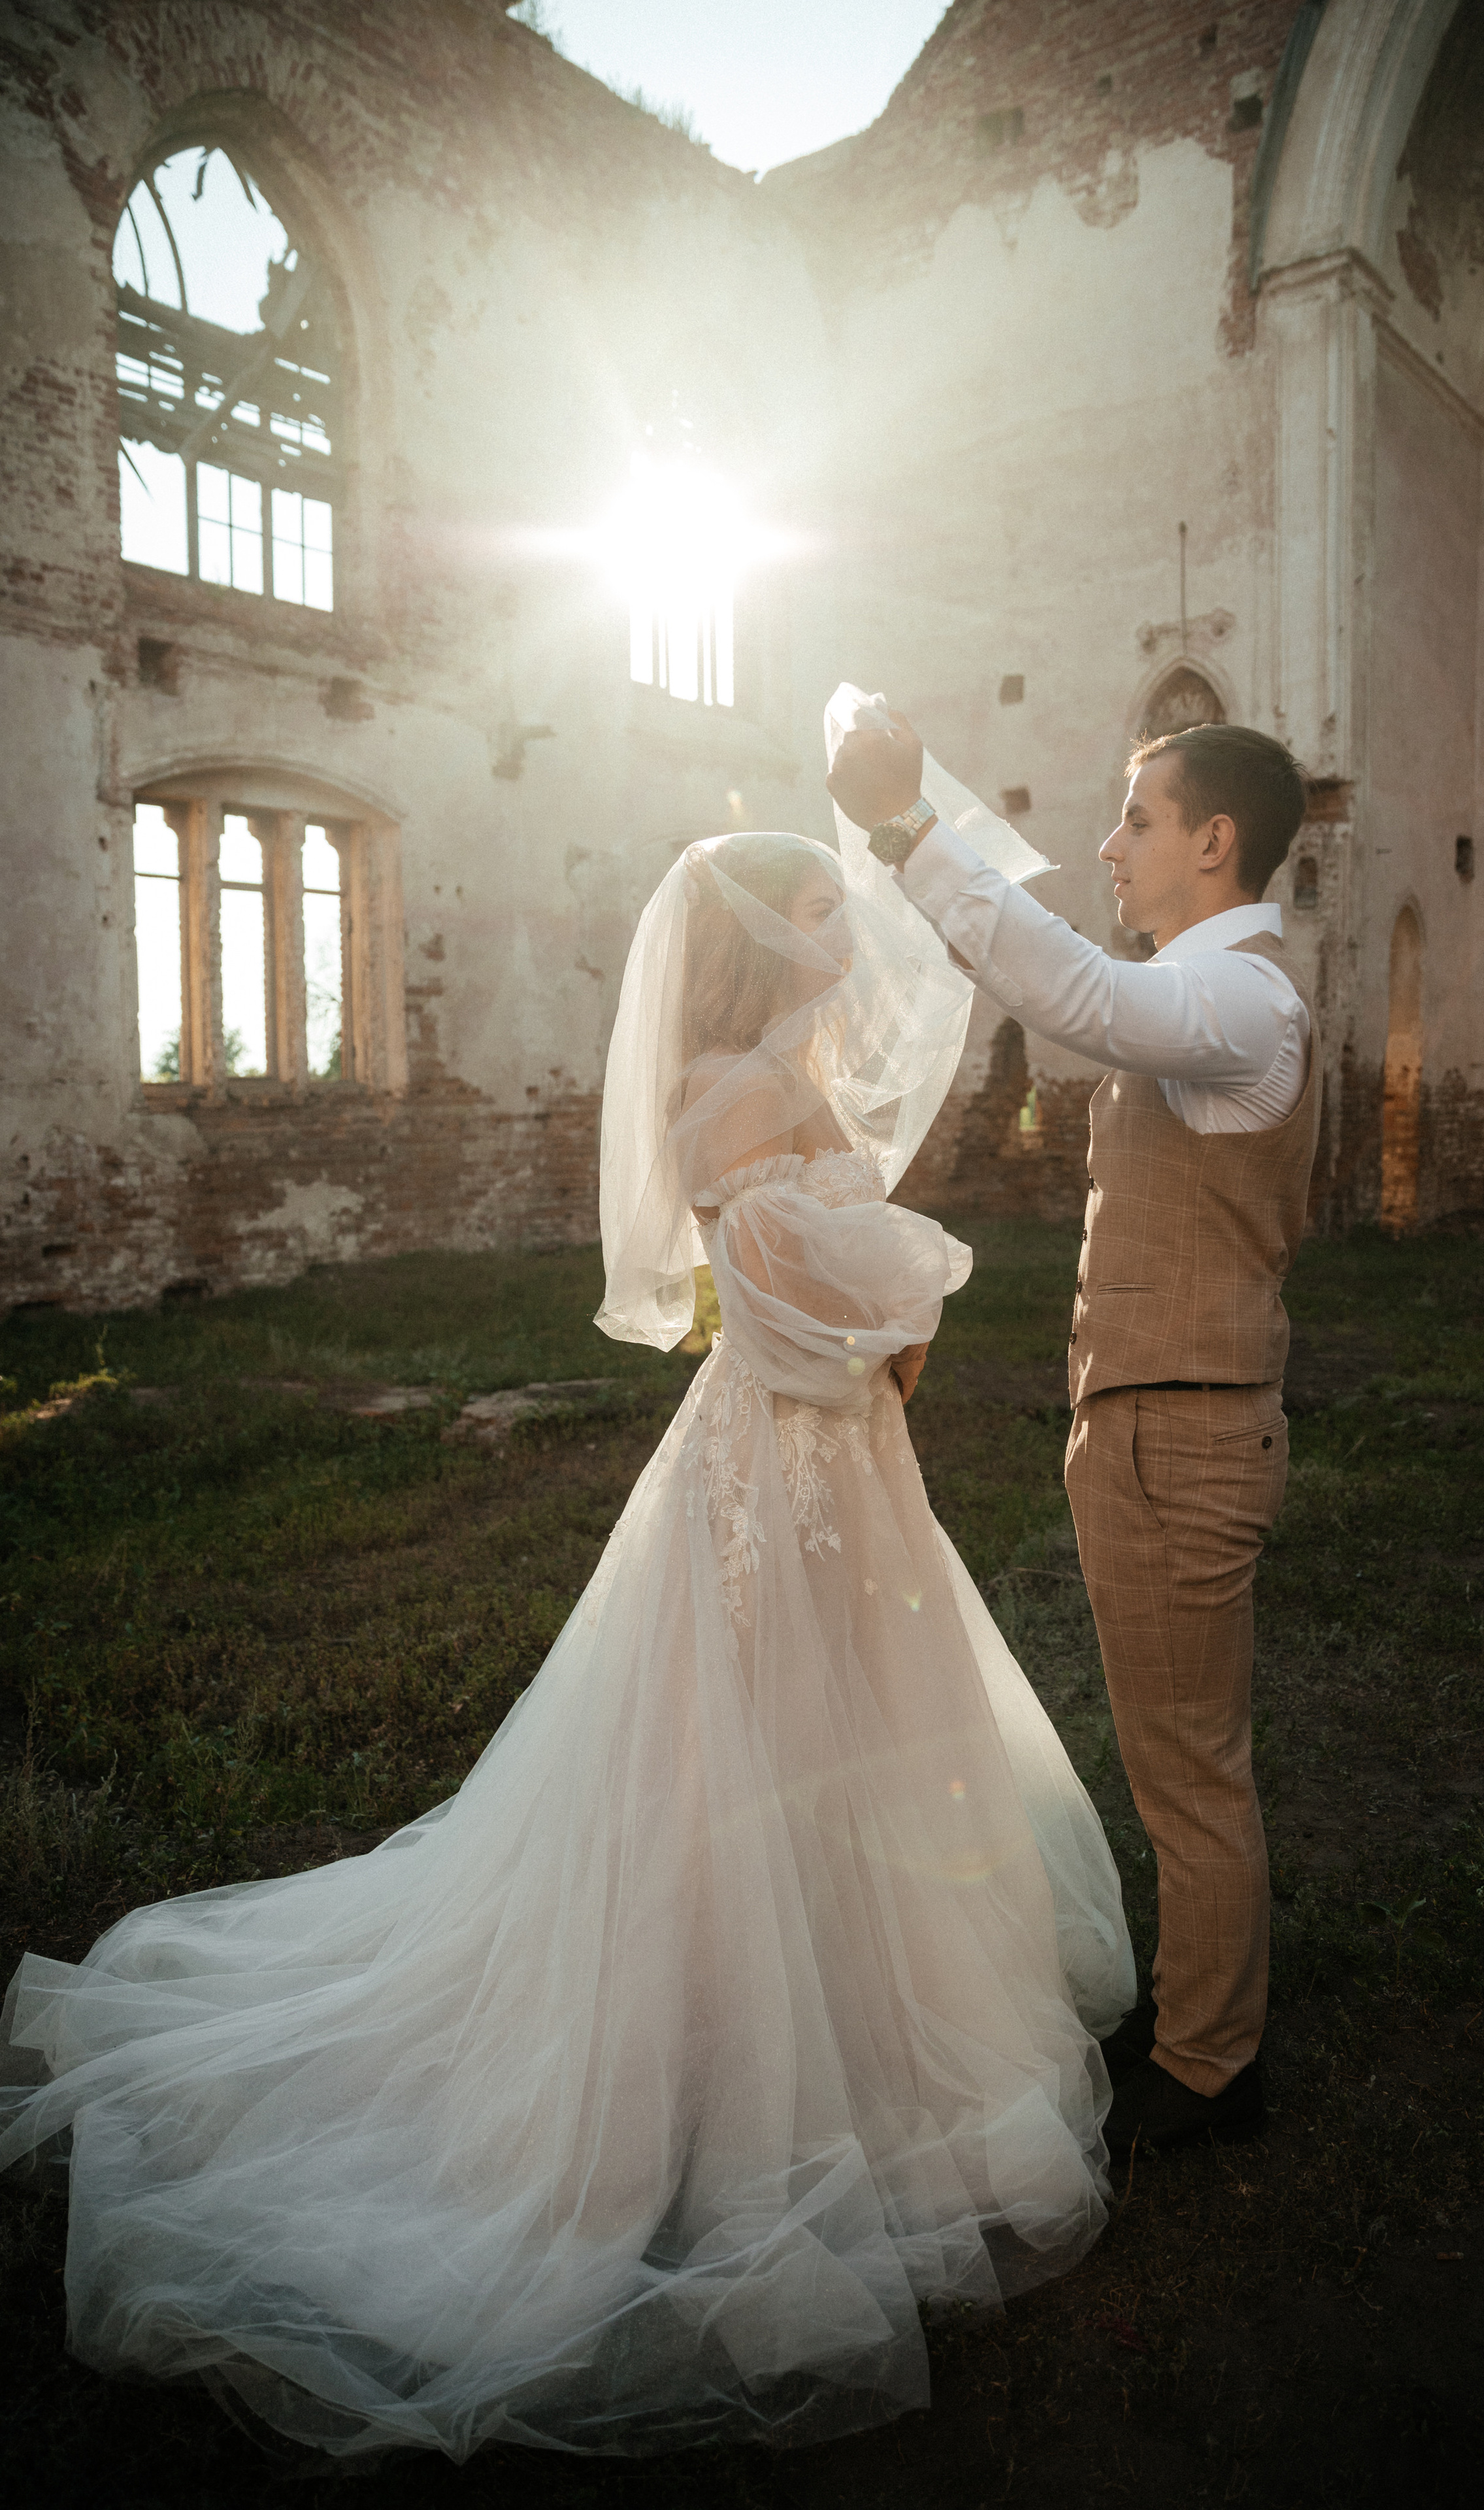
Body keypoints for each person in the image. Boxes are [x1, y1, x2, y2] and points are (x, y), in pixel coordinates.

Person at [0, 829, 1134, 2462]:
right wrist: (903, 1313)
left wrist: (885, 1313)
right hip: (784, 1456)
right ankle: (736, 2062)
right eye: (819, 911)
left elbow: (819, 1269)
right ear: (761, 941)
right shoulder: (741, 1091)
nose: (844, 934)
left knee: (845, 1720)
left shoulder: (776, 1077)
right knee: (751, 1732)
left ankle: (854, 2007)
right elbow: (783, 1299)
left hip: (827, 1456)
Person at [827, 712, 1318, 2156]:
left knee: (1189, 1770)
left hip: (1184, 1441)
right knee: (1177, 1759)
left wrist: (911, 831)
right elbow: (1099, 1000)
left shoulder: (1242, 1002)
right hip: (1155, 1429)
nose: (1108, 846)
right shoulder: (1198, 991)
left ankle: (1209, 2067)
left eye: (1136, 819)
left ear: (1214, 841)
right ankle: (1198, 2013)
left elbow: (1075, 995)